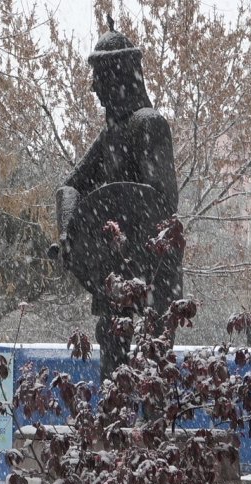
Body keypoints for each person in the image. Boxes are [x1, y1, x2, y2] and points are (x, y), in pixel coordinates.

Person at [50, 17, 182, 380]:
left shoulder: (148, 124)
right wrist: (68, 231)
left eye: (98, 75)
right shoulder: (110, 136)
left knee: (155, 370)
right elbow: (69, 187)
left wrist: (128, 238)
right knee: (112, 374)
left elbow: (162, 203)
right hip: (114, 273)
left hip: (153, 271)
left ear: (119, 74)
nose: (93, 85)